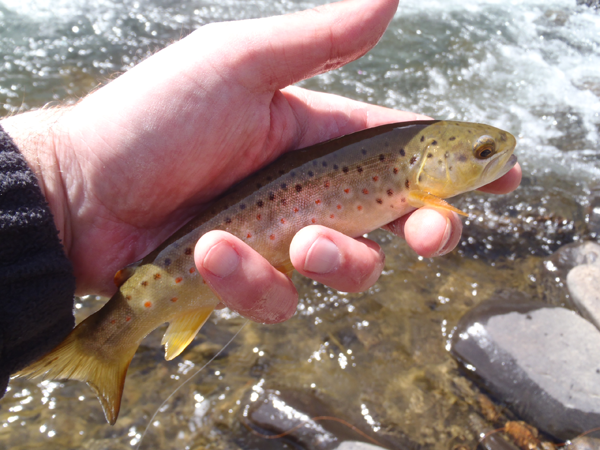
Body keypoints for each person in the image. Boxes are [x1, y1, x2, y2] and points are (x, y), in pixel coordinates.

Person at [0, 0, 521, 396]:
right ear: (427, 165)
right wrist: (67, 181)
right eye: (482, 152)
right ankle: (100, 346)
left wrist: (67, 188)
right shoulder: (414, 179)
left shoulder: (418, 185)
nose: (496, 155)